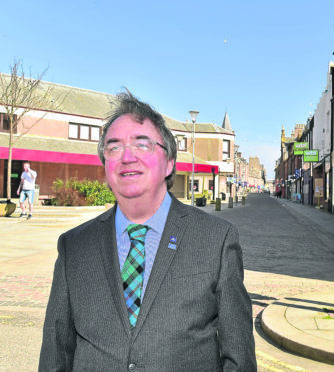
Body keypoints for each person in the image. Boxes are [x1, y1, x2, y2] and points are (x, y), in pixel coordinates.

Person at [39, 91, 256, 371]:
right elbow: (56, 353)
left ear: (169, 162)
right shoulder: (74, 246)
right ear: (105, 165)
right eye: (113, 147)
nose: (127, 156)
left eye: (142, 144)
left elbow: (239, 358)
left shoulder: (217, 240)